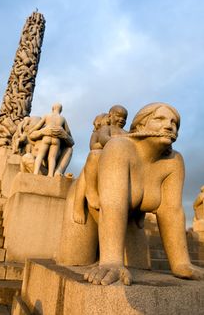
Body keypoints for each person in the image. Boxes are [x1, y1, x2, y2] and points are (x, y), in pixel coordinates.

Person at [60, 102, 204, 286]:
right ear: (140, 126)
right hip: (89, 205)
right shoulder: (119, 148)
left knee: (137, 266)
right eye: (159, 119)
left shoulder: (174, 162)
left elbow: (172, 211)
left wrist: (181, 264)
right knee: (76, 261)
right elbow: (113, 204)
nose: (169, 125)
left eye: (174, 122)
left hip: (130, 217)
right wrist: (112, 260)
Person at [73, 105, 128, 224]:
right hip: (102, 158)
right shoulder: (106, 129)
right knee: (93, 157)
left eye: (125, 118)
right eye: (118, 116)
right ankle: (85, 197)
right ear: (110, 116)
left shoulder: (126, 132)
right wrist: (118, 141)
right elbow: (100, 141)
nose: (122, 119)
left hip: (120, 161)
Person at [29, 103, 73, 176]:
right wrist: (63, 133)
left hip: (47, 137)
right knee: (52, 158)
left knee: (40, 155)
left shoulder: (47, 116)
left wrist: (32, 130)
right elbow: (68, 132)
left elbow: (38, 125)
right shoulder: (62, 118)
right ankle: (50, 174)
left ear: (52, 108)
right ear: (61, 110)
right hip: (56, 140)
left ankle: (35, 172)